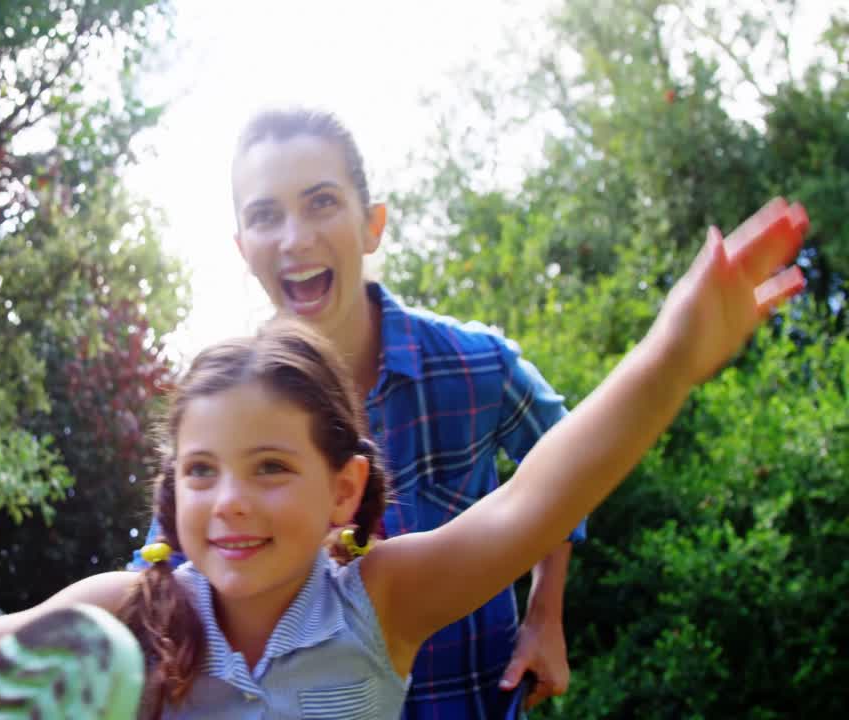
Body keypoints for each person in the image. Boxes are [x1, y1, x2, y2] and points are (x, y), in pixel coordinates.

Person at [0, 197, 808, 719]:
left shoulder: (380, 604)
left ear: (345, 486)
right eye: (199, 474)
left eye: (268, 470)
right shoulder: (134, 615)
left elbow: (539, 493)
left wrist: (669, 354)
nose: (228, 505)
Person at [136, 107, 584, 715]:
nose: (295, 239)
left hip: (468, 699)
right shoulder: (227, 405)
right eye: (265, 215)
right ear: (243, 248)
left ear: (371, 224)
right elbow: (161, 568)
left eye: (321, 202)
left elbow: (573, 461)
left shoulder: (476, 365)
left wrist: (545, 613)